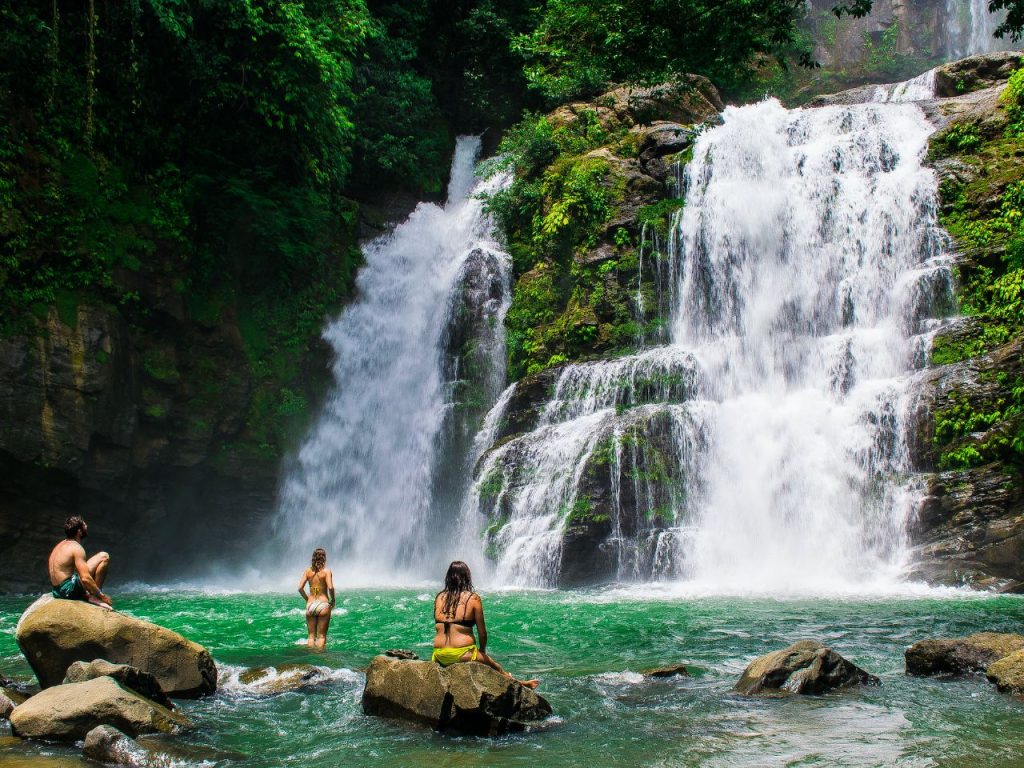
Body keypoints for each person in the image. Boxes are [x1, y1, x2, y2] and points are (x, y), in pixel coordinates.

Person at [432, 560, 538, 689]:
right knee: (496, 667)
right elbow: (482, 633)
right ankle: (520, 684)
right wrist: (482, 651)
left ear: (448, 577)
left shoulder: (439, 598)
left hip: (439, 654)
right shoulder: (473, 598)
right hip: (463, 654)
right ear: (467, 577)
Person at [48, 516, 113, 609]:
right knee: (104, 556)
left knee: (83, 569)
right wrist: (101, 595)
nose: (87, 526)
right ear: (79, 531)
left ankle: (89, 594)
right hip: (67, 590)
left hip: (57, 590)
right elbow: (85, 578)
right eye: (84, 525)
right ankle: (94, 597)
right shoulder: (76, 548)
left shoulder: (61, 545)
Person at [298, 548, 335, 650]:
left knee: (311, 637)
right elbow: (330, 587)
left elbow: (300, 588)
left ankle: (310, 658)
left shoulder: (308, 571)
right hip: (323, 605)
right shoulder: (326, 571)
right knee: (322, 636)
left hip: (310, 605)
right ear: (324, 558)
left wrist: (307, 599)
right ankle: (319, 658)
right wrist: (333, 600)